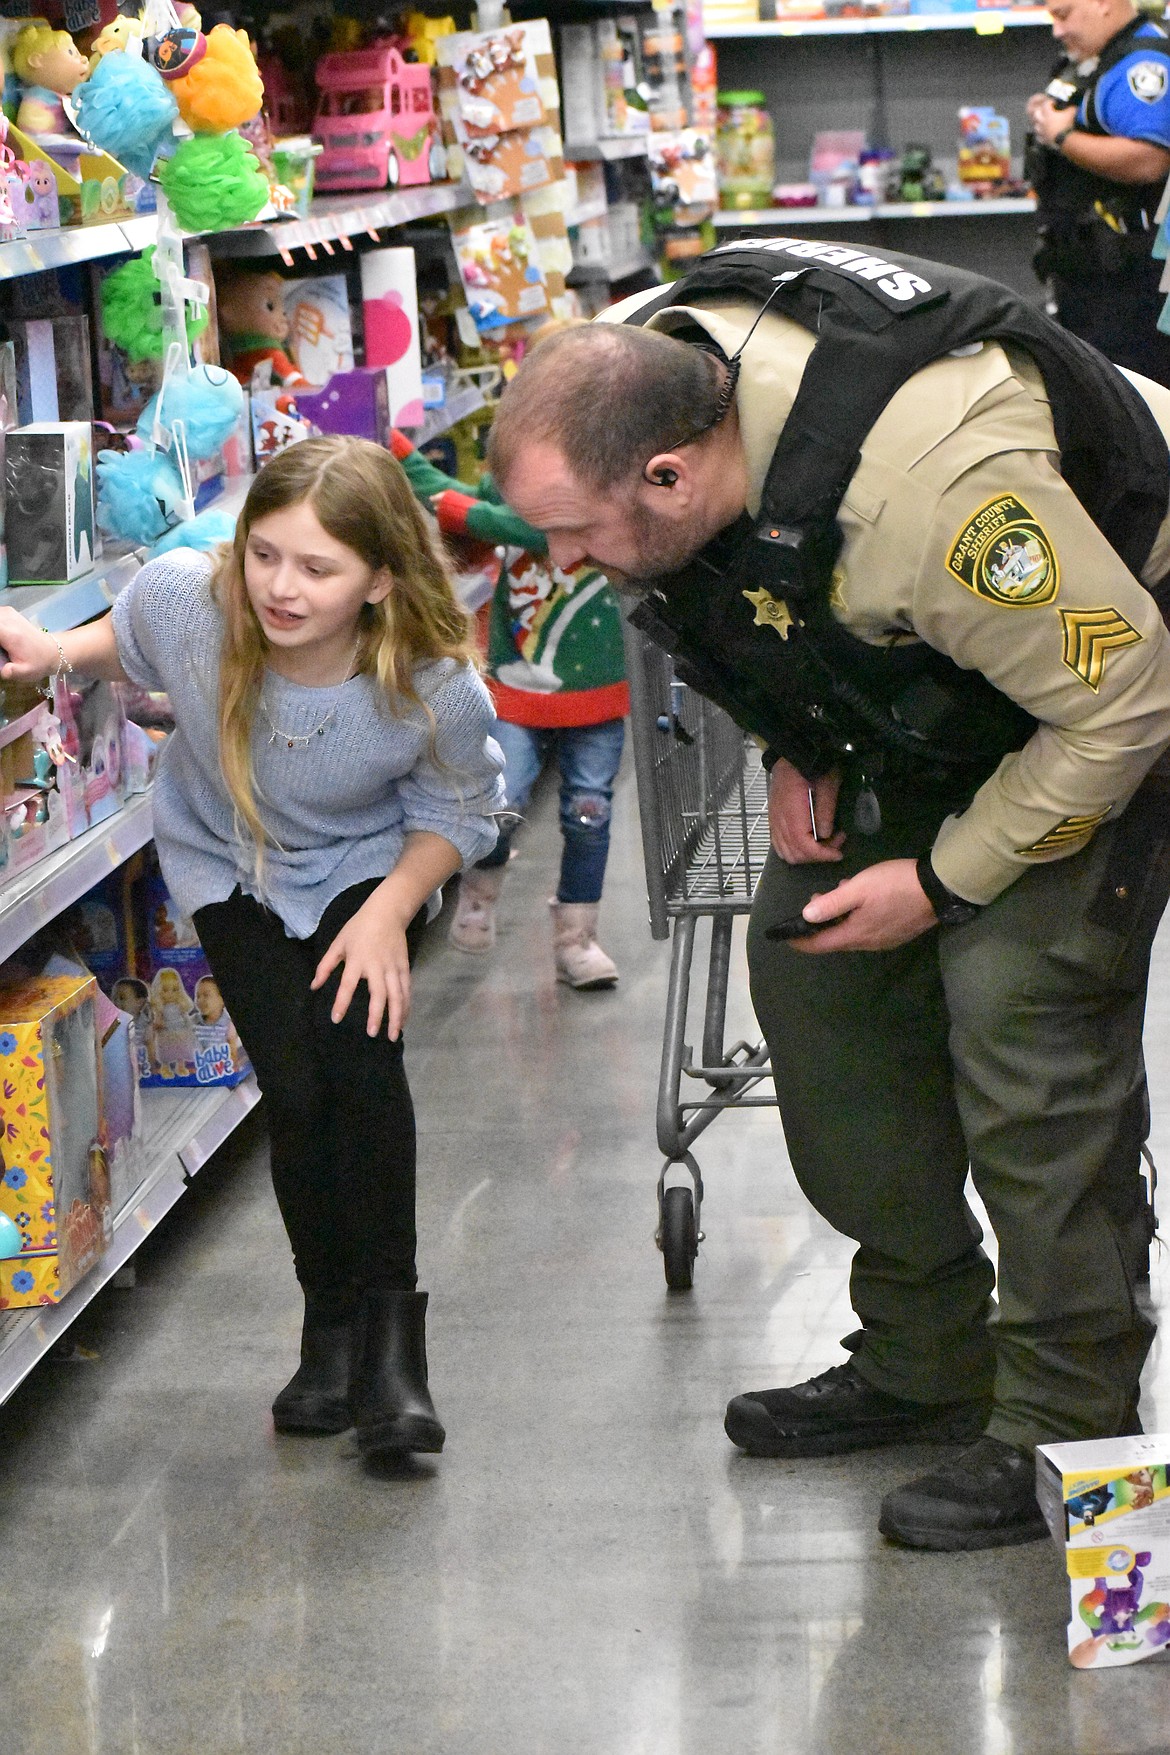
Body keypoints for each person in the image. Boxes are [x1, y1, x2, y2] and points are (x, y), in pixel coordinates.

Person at [484, 237, 1170, 1552]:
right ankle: (925, 1355)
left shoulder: (946, 497)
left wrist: (942, 875)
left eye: (574, 534)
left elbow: (1121, 702)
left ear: (671, 472)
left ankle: (1063, 1425)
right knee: (810, 968)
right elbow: (720, 589)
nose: (562, 560)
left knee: (1020, 1005)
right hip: (932, 672)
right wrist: (794, 736)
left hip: (1109, 663)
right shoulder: (631, 372)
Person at [0, 435, 503, 1466]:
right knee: (297, 1086)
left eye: (318, 568)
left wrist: (393, 909)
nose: (281, 587)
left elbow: (461, 805)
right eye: (266, 554)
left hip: (372, 862)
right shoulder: (196, 602)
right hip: (226, 859)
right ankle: (329, 1324)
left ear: (378, 581)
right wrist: (54, 654)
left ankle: (394, 1349)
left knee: (361, 1071)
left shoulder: (428, 681)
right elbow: (127, 638)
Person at [390, 427, 628, 990]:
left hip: (596, 699)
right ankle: (481, 892)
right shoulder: (509, 482)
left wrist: (459, 509)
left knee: (589, 813)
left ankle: (577, 938)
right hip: (516, 695)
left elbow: (510, 525)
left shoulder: (608, 496)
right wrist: (395, 445)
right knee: (501, 799)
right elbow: (451, 491)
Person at [1027, 0, 1170, 384]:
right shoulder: (1100, 55)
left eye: (1063, 14)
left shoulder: (1143, 64)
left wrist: (1061, 136)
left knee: (1134, 404)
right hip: (1091, 273)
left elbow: (1148, 159)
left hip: (1128, 283)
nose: (1057, 29)